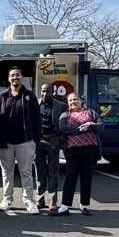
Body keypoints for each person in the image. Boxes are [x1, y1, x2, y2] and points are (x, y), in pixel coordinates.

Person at [0, 67, 42, 214]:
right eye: (12, 76)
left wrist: (35, 139)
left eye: (18, 75)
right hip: (5, 142)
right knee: (6, 172)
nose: (15, 78)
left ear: (22, 77)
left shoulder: (29, 96)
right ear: (8, 79)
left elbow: (37, 118)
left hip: (25, 141)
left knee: (26, 172)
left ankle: (29, 201)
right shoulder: (1, 96)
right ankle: (7, 199)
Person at [53, 92, 105, 216]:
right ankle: (65, 206)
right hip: (73, 151)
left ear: (81, 100)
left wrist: (91, 125)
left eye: (75, 99)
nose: (72, 102)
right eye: (70, 100)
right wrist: (80, 129)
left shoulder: (91, 113)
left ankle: (84, 205)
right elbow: (63, 128)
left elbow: (101, 125)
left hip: (90, 150)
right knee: (70, 178)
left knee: (86, 178)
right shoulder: (65, 115)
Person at [34, 83, 67, 211]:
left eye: (48, 92)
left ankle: (52, 201)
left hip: (53, 139)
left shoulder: (60, 106)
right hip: (39, 141)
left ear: (52, 92)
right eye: (43, 91)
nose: (45, 94)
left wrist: (59, 139)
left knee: (53, 172)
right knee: (39, 171)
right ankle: (40, 199)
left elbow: (64, 122)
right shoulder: (35, 104)